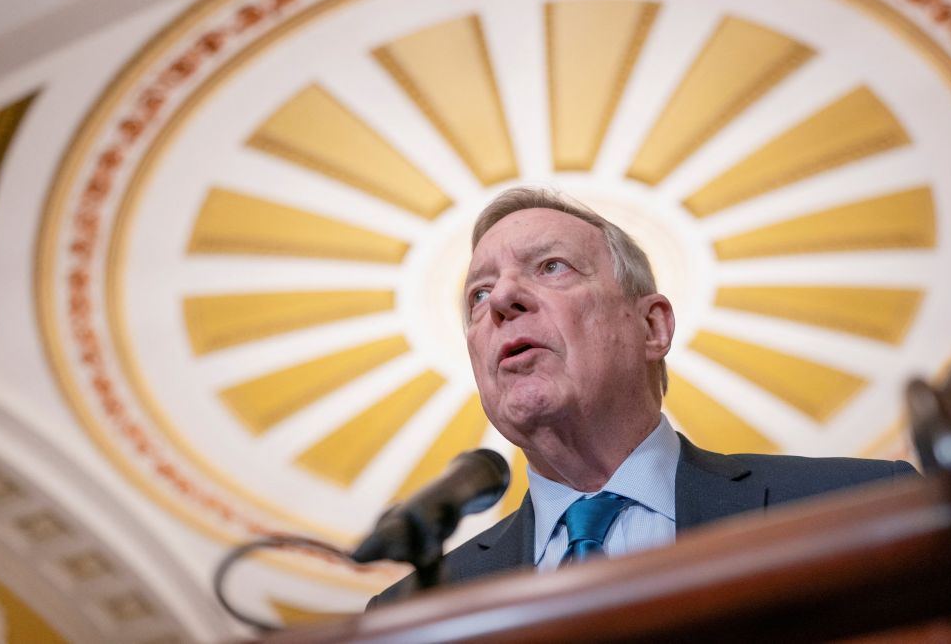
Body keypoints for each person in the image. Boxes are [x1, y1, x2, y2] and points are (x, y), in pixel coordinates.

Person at [370, 187, 916, 605]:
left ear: (652, 327)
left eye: (550, 267)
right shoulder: (414, 610)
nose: (502, 299)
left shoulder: (860, 507)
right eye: (479, 293)